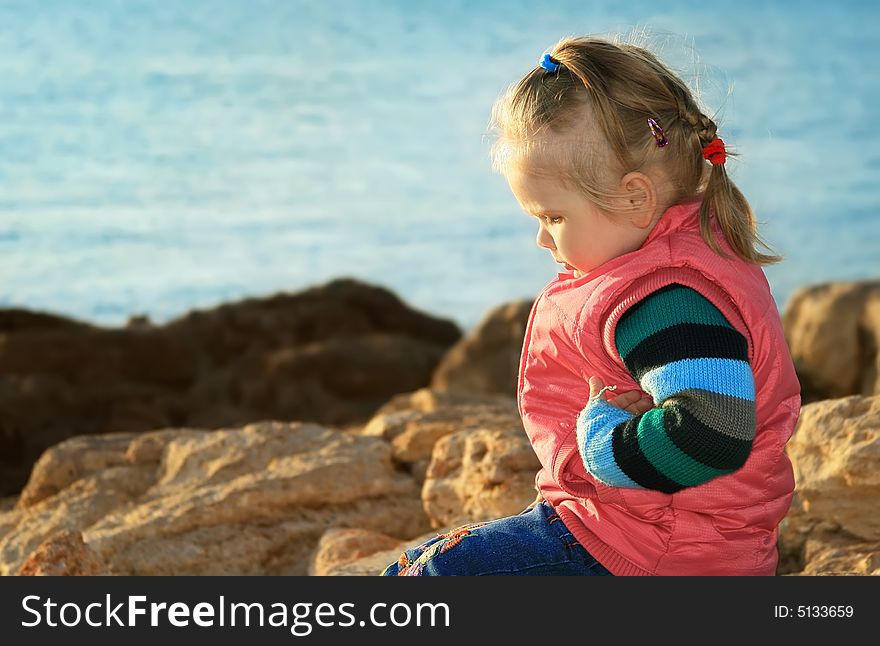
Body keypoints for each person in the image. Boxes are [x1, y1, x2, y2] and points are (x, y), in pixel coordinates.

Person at [381, 35, 800, 576]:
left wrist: (604, 445)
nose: (541, 239)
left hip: (649, 550)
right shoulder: (679, 256)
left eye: (552, 217)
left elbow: (714, 431)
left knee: (427, 576)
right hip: (657, 536)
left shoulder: (663, 299)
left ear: (634, 197)